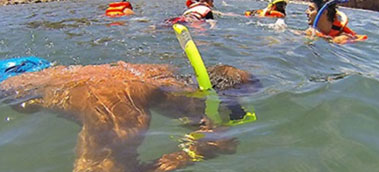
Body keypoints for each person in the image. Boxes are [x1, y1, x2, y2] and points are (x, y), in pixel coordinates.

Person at [0, 62, 257, 172]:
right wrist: (193, 153)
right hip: (12, 91)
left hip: (33, 71)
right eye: (229, 109)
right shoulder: (124, 113)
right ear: (203, 96)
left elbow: (181, 106)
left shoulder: (159, 73)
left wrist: (197, 125)